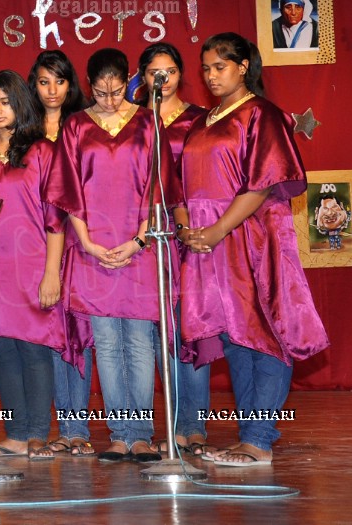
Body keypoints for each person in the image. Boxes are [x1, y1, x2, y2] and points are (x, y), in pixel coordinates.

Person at [179, 33, 329, 466]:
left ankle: (259, 438)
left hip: (251, 238)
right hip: (211, 243)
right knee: (236, 337)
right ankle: (250, 438)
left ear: (244, 66)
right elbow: (187, 184)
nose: (210, 76)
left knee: (267, 332)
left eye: (219, 67)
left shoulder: (261, 114)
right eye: (205, 68)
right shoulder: (205, 120)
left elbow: (263, 185)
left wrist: (218, 229)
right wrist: (191, 227)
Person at [47, 48, 173, 465]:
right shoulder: (76, 125)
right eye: (100, 93)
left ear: (129, 82)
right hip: (93, 249)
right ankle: (119, 434)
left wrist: (139, 240)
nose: (109, 100)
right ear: (90, 87)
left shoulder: (148, 122)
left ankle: (141, 434)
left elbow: (159, 186)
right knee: (104, 343)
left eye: (117, 91)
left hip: (139, 247)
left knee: (139, 344)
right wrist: (86, 242)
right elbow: (67, 190)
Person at [0, 71, 66, 459]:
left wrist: (52, 272)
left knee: (34, 349)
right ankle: (17, 433)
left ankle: (38, 433)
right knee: (3, 349)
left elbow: (55, 217)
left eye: (4, 102)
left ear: (20, 104)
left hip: (33, 264)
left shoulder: (41, 151)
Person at [134, 43, 214, 457]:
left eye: (170, 71)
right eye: (153, 72)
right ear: (142, 77)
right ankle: (163, 425)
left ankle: (194, 425)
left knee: (188, 329)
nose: (161, 79)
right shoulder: (133, 122)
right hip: (142, 236)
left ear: (182, 75)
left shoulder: (200, 121)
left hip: (187, 234)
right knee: (154, 335)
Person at [27, 49, 93, 457]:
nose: (52, 90)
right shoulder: (24, 131)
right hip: (34, 245)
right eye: (43, 82)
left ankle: (77, 428)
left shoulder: (85, 128)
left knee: (79, 335)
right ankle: (47, 426)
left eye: (60, 81)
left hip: (81, 242)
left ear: (72, 85)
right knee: (45, 335)